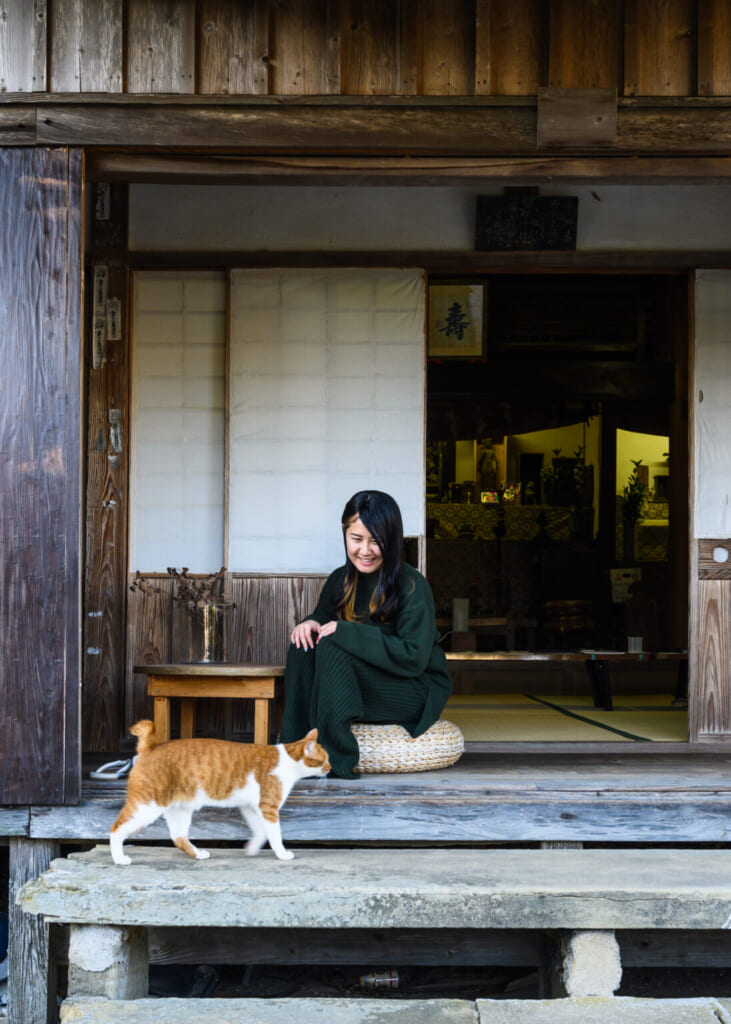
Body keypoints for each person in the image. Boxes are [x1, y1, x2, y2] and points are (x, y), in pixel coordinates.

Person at [279, 490, 452, 779]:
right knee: (304, 645)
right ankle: (295, 751)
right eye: (356, 539)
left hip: (412, 688)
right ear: (345, 534)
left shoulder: (411, 585)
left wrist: (346, 632)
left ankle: (335, 759)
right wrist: (308, 623)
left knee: (333, 645)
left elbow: (413, 658)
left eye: (376, 541)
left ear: (393, 540)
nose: (365, 550)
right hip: (365, 680)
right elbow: (323, 620)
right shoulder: (340, 580)